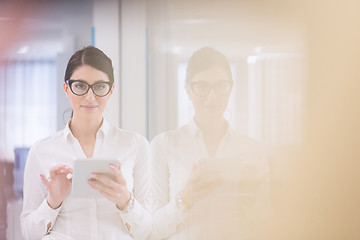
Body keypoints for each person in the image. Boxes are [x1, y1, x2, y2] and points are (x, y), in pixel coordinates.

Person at [20, 46, 151, 240]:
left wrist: (125, 201)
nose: (90, 97)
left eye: (99, 86)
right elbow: (28, 234)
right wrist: (52, 201)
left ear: (111, 90)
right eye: (80, 86)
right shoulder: (41, 150)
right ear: (67, 88)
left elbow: (147, 232)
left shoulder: (136, 145)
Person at [150, 47, 271, 240]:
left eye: (221, 86)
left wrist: (250, 196)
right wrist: (185, 198)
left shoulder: (253, 150)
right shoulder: (164, 145)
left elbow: (269, 228)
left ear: (230, 88)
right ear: (188, 89)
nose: (212, 97)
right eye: (202, 87)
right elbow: (152, 231)